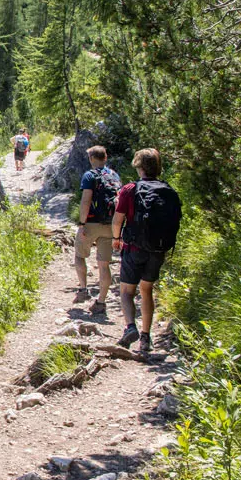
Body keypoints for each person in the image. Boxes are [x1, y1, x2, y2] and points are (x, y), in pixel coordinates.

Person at [112, 148, 182, 353]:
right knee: (146, 290)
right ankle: (145, 338)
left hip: (134, 247)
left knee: (126, 291)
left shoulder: (130, 189)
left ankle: (130, 327)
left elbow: (118, 220)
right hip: (158, 248)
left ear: (138, 166)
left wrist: (116, 239)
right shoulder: (167, 190)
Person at [74, 145, 119, 313]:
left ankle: (83, 290)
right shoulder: (114, 175)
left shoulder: (89, 175)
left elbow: (86, 200)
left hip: (91, 222)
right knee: (104, 264)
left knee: (80, 255)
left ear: (92, 158)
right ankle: (101, 301)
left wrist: (82, 223)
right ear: (105, 158)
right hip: (110, 224)